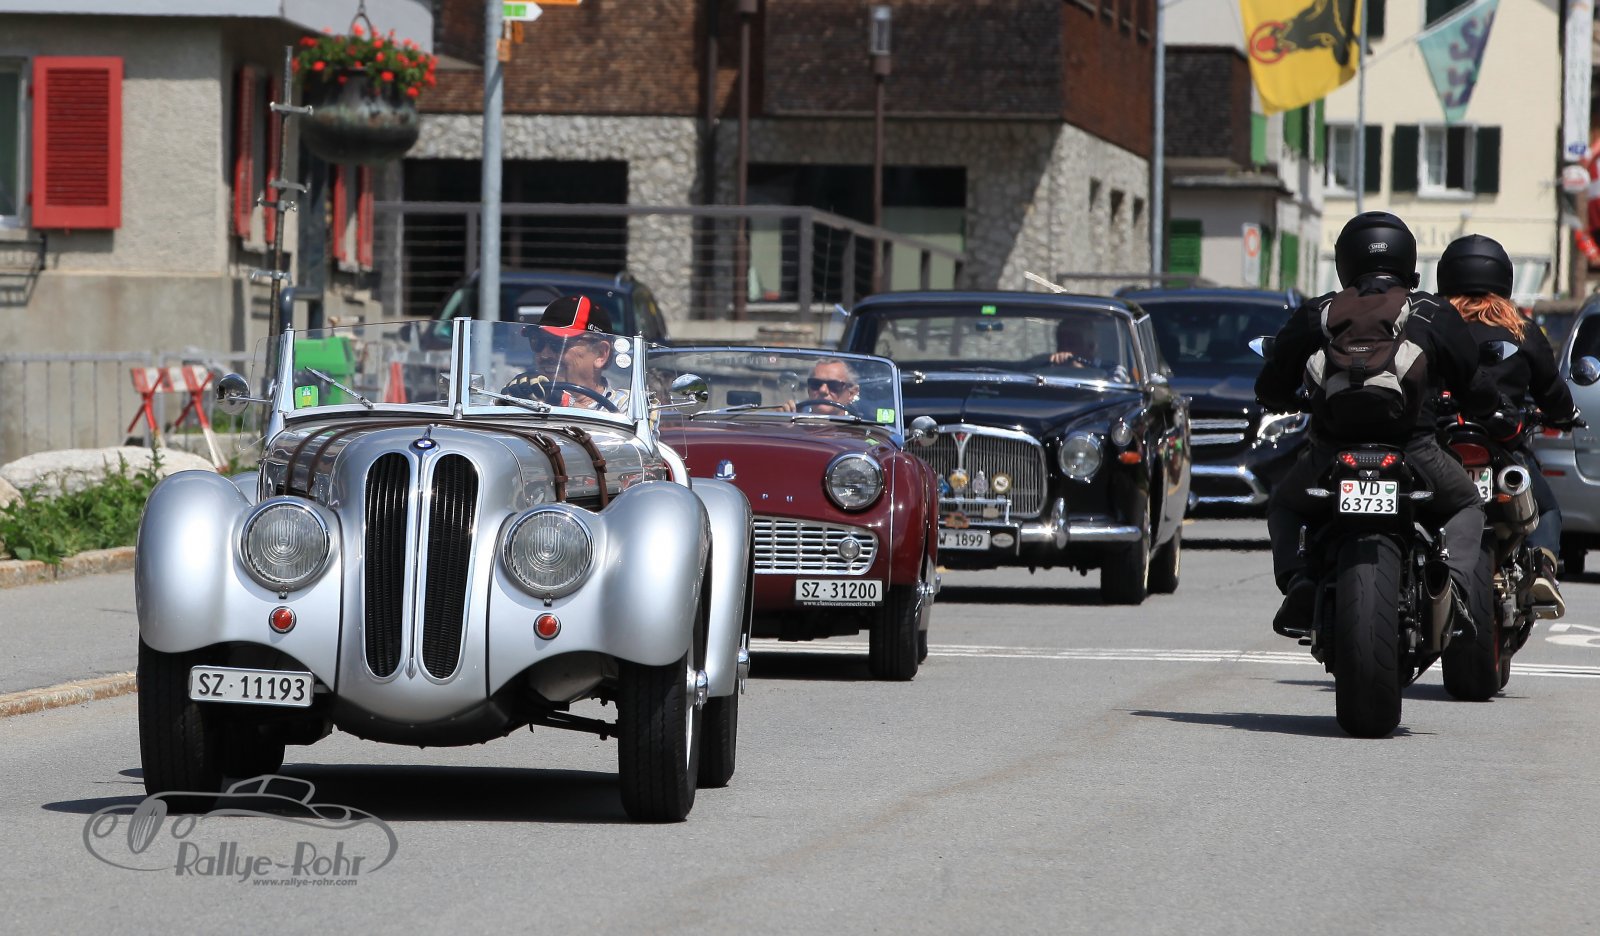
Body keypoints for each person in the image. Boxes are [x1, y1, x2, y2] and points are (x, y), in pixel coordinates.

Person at [1256, 211, 1501, 633]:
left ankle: (1299, 579)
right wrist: (1488, 405)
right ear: (1408, 260)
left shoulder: (1321, 311)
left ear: (1346, 261)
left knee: (1285, 504)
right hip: (1415, 450)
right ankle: (1454, 589)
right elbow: (1475, 385)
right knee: (1468, 503)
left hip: (1331, 452)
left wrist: (1286, 398)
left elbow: (1271, 385)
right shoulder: (1430, 311)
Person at [1437, 233, 1582, 611]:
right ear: (1503, 276)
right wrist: (1566, 415)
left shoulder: (1434, 324)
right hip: (1502, 444)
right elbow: (1551, 391)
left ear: (1447, 274)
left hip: (1441, 445)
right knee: (1546, 508)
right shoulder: (1521, 328)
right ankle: (1542, 569)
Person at [504, 295, 631, 412]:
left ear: (600, 354)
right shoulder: (525, 400)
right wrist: (506, 403)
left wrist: (565, 402)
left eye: (558, 343)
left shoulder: (628, 407)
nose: (544, 354)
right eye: (538, 341)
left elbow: (616, 427)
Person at [782, 359, 861, 414]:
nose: (823, 390)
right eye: (816, 384)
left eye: (834, 385)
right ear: (809, 389)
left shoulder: (861, 431)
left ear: (851, 394)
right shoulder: (792, 425)